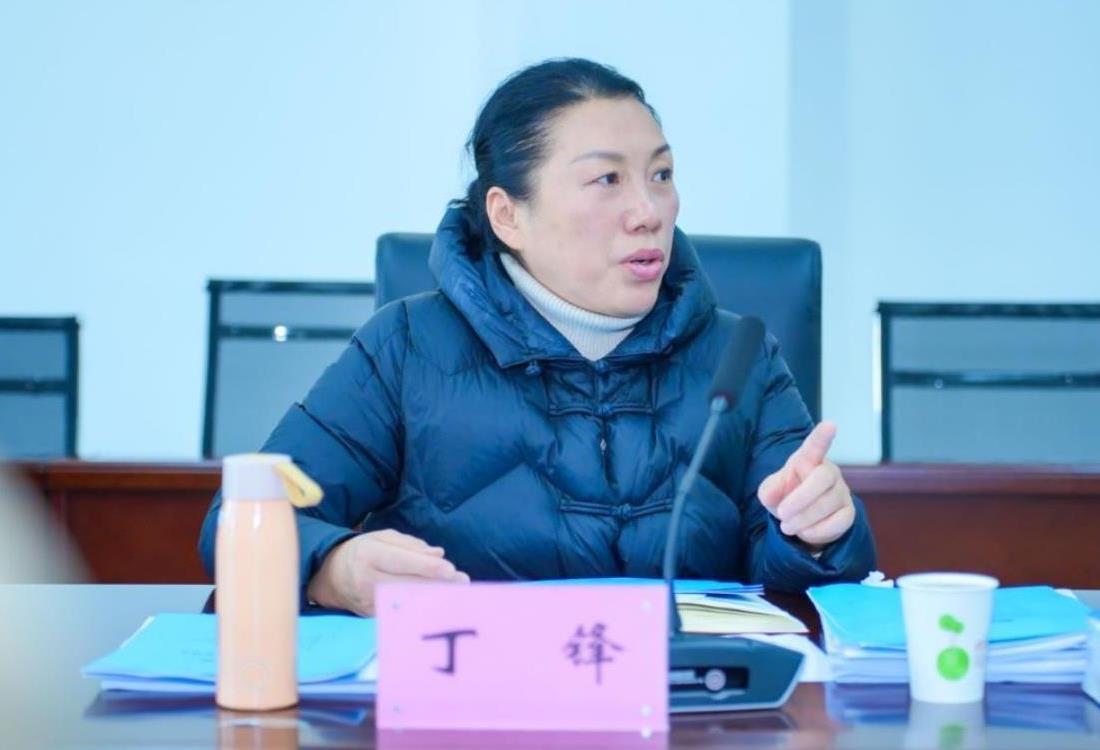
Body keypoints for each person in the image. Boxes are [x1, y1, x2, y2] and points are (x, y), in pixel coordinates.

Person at [199, 58, 876, 617]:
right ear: (508, 216)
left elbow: (799, 579)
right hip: (474, 704)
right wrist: (335, 568)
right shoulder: (405, 348)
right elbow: (241, 519)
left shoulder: (738, 358)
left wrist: (816, 533)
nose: (648, 212)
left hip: (692, 707)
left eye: (661, 175)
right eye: (607, 179)